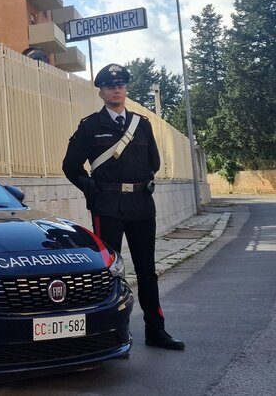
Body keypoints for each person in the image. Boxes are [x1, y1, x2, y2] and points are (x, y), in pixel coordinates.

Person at [62, 63, 185, 351]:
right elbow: (70, 166)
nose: (116, 90)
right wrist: (89, 187)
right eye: (110, 86)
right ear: (101, 92)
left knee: (146, 269)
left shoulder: (141, 124)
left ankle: (156, 331)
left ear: (126, 89)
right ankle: (113, 334)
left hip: (141, 204)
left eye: (120, 85)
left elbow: (153, 162)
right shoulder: (90, 126)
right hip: (108, 206)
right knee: (110, 271)